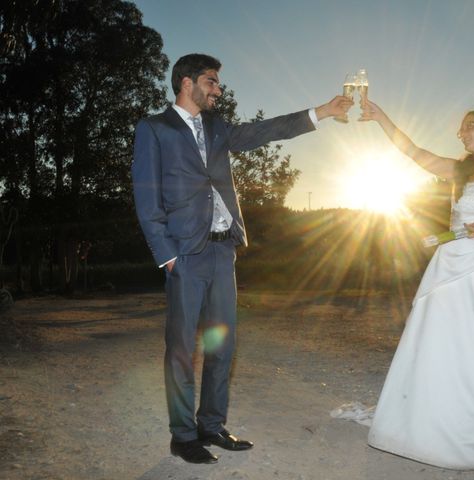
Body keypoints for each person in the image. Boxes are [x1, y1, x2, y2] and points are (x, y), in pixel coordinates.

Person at [132, 53, 353, 465]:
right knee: (181, 348)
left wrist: (321, 112)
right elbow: (146, 198)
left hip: (221, 249)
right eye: (211, 81)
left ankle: (211, 426)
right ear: (187, 83)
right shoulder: (154, 128)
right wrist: (167, 257)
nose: (218, 89)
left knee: (223, 345)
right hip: (185, 253)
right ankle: (182, 436)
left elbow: (264, 131)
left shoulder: (218, 127)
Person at [359, 99, 474, 470]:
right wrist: (381, 117)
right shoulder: (459, 171)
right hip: (451, 266)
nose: (462, 133)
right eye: (461, 128)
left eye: (469, 126)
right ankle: (430, 425)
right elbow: (413, 152)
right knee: (442, 344)